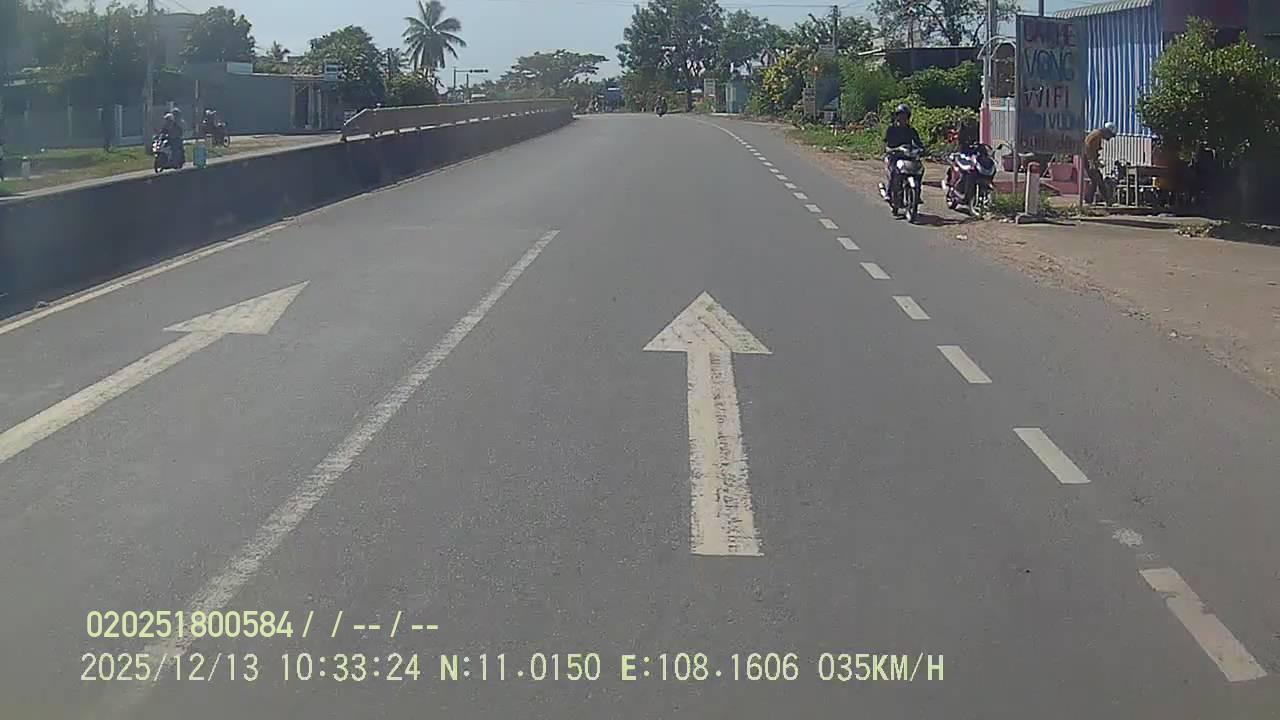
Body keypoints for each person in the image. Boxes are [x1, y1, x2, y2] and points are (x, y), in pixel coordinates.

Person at [883, 104, 924, 216]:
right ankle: (889, 193)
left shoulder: (911, 130)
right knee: (893, 172)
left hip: (908, 157)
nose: (903, 118)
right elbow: (886, 145)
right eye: (901, 115)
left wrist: (921, 150)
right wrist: (893, 149)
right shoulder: (891, 129)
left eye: (905, 116)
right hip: (894, 156)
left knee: (920, 169)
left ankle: (917, 192)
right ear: (897, 116)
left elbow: (918, 143)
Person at [1084, 121, 1117, 205]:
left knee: (1097, 179)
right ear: (1107, 132)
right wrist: (1092, 162)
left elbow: (1093, 150)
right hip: (1088, 160)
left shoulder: (1097, 135)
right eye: (1110, 136)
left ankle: (1092, 199)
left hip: (1089, 159)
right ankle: (1104, 199)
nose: (1109, 138)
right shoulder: (1096, 136)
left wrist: (1096, 161)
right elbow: (1089, 149)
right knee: (1096, 179)